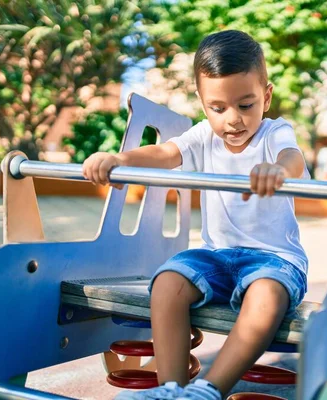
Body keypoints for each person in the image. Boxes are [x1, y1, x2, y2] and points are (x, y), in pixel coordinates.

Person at [83, 30, 309, 400]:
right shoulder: (204, 135)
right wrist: (119, 159)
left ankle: (207, 391)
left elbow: (292, 157)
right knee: (169, 279)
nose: (233, 120)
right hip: (217, 257)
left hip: (275, 260)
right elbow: (165, 153)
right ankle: (172, 390)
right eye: (218, 108)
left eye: (246, 105)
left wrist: (278, 170)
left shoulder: (274, 133)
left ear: (266, 97)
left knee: (266, 293)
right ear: (203, 103)